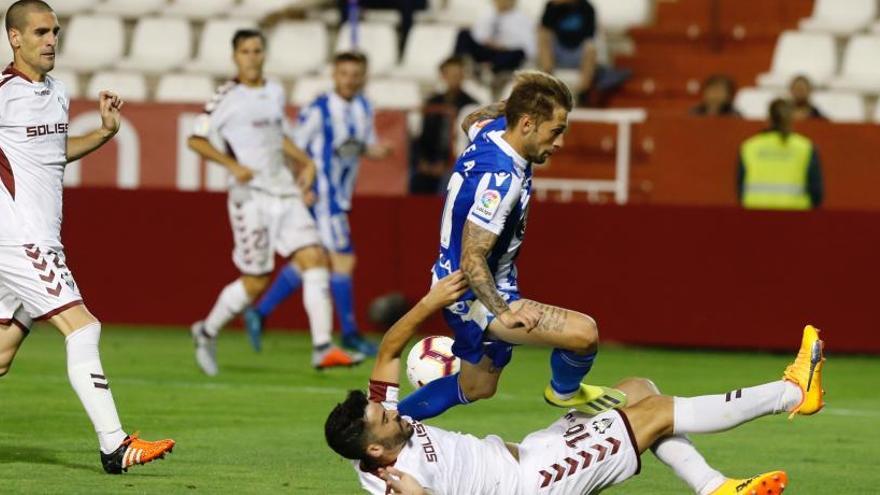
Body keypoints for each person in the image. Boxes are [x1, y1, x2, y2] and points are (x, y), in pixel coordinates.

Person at [325, 271, 825, 495]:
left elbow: (390, 348)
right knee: (655, 413)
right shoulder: (395, 482)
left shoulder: (390, 432)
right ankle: (794, 391)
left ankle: (713, 487)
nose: (394, 411)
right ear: (374, 451)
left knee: (636, 389)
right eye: (385, 418)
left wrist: (431, 302)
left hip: (534, 451)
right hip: (537, 483)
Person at [0, 0, 175, 474]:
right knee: (84, 327)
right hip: (21, 238)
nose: (51, 40)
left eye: (54, 31)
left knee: (2, 353)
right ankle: (115, 445)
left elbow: (52, 154)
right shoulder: (2, 93)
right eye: (39, 32)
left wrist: (103, 133)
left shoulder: (56, 91)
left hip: (37, 237)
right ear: (15, 38)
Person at [395, 71, 623, 422]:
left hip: (458, 279)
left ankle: (382, 420)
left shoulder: (489, 133)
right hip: (470, 292)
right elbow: (473, 258)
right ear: (528, 124)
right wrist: (505, 312)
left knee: (477, 387)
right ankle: (563, 392)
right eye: (556, 130)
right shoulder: (502, 182)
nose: (560, 142)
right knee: (584, 334)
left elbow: (471, 119)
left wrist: (516, 103)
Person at [188, 30, 364, 374]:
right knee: (256, 281)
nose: (252, 57)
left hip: (284, 190)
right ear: (235, 57)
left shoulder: (273, 91)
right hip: (250, 198)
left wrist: (306, 162)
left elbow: (278, 137)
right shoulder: (225, 96)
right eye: (245, 51)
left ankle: (323, 347)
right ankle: (206, 331)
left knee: (314, 257)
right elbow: (195, 140)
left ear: (264, 54)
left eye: (257, 50)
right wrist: (232, 165)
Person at [243, 52, 391, 357]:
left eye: (355, 74)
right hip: (323, 194)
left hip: (341, 195)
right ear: (334, 75)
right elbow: (293, 147)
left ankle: (260, 312)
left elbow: (361, 147)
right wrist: (302, 183)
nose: (349, 79)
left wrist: (380, 151)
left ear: (363, 76)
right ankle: (349, 333)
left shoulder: (364, 107)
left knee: (313, 259)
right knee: (343, 260)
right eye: (344, 73)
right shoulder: (319, 109)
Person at [738, 98, 824, 210]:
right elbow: (816, 191)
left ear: (768, 119)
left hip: (755, 213)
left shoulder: (749, 146)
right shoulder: (805, 147)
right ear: (791, 119)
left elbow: (740, 187)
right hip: (795, 215)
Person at [411, 56, 479, 195]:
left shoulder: (471, 105)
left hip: (457, 162)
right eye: (451, 75)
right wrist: (423, 162)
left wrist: (448, 163)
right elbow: (423, 135)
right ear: (443, 76)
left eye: (458, 75)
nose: (455, 79)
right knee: (416, 182)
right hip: (430, 161)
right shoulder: (432, 102)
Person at [453, 0, 536, 76]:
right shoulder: (487, 13)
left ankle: (492, 71)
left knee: (518, 53)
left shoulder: (523, 19)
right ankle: (464, 64)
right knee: (463, 34)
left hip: (504, 53)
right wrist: (487, 41)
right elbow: (477, 34)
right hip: (485, 49)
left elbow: (528, 46)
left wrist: (503, 46)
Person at [538, 0, 597, 100]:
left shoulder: (587, 8)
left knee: (591, 49)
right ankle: (548, 85)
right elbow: (544, 31)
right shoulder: (551, 6)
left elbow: (589, 38)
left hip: (578, 53)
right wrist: (555, 8)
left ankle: (582, 92)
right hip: (557, 52)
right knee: (543, 37)